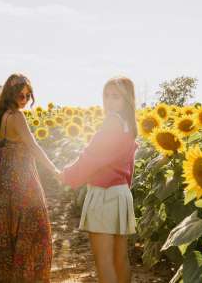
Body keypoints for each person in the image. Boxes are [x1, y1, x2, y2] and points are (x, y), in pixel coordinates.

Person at [0, 73, 59, 283]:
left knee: (6, 231)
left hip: (3, 180)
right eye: (20, 95)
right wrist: (54, 170)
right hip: (20, 180)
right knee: (35, 230)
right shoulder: (17, 116)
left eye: (27, 95)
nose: (24, 99)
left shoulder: (2, 116)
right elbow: (33, 146)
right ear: (11, 94)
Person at [59, 76, 139, 283]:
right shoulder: (128, 126)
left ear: (127, 100)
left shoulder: (111, 123)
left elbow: (91, 158)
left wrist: (67, 175)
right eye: (107, 96)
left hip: (104, 195)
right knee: (120, 258)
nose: (110, 101)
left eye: (116, 97)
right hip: (121, 194)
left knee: (104, 261)